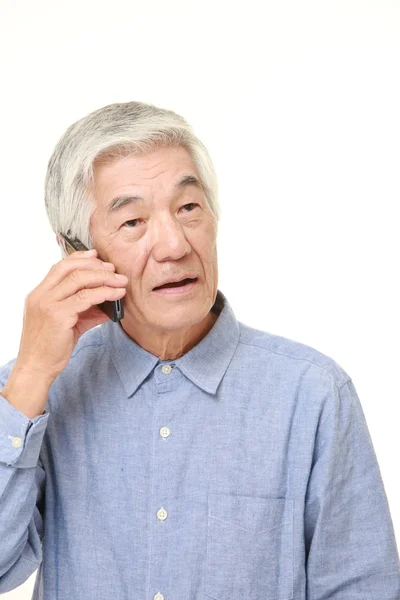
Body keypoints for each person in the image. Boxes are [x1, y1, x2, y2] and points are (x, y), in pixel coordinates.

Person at [0, 101, 399, 600]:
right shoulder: (35, 394)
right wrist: (33, 374)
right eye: (133, 222)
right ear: (77, 252)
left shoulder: (313, 394)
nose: (173, 245)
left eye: (188, 208)